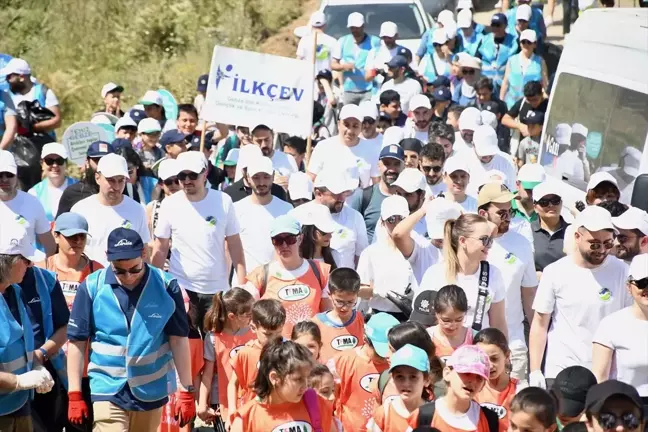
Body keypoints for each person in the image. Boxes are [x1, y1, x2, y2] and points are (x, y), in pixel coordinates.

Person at [65, 228, 194, 430]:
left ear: (143, 254)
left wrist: (186, 390)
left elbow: (178, 340)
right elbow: (77, 342)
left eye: (134, 269)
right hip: (107, 387)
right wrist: (74, 394)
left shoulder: (167, 286)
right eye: (119, 270)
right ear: (107, 258)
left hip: (151, 388)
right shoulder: (91, 286)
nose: (128, 276)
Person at [529, 206, 633, 389]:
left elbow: (628, 322)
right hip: (562, 370)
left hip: (606, 372)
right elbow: (540, 323)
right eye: (594, 244)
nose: (601, 249)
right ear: (577, 237)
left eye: (608, 243)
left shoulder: (623, 272)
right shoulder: (555, 272)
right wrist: (535, 369)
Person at [151, 151, 246, 329]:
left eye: (192, 175)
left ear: (205, 173)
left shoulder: (223, 200)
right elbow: (160, 247)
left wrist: (242, 283)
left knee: (215, 347)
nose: (187, 181)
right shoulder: (169, 204)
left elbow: (234, 244)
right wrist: (154, 284)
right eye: (181, 176)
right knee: (187, 347)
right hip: (182, 288)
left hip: (217, 289)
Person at [478, 182, 537, 383]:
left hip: (514, 344)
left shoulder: (521, 244)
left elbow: (529, 294)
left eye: (510, 212)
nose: (508, 217)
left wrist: (537, 339)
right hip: (475, 345)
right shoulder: (468, 242)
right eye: (501, 213)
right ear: (483, 213)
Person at [0, 222, 55, 432]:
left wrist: (35, 366)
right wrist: (17, 381)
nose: (31, 265)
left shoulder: (14, 292)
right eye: (25, 260)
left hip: (19, 406)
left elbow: (21, 343)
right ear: (7, 262)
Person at [418, 212, 509, 338]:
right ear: (462, 241)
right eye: (484, 239)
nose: (489, 245)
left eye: (490, 240)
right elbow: (421, 323)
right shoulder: (435, 274)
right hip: (442, 351)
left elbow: (498, 323)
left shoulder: (493, 274)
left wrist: (504, 352)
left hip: (478, 350)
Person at [244, 215, 332, 338]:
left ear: (300, 239)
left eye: (290, 239)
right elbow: (245, 315)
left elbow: (328, 316)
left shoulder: (320, 271)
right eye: (278, 240)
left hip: (309, 348)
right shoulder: (260, 276)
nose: (284, 245)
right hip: (276, 350)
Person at [230, 339, 336, 432]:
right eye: (298, 379)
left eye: (307, 378)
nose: (305, 385)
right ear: (275, 378)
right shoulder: (246, 419)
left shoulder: (316, 404)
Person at [70, 153, 149, 266]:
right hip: (91, 280)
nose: (116, 187)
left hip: (126, 280)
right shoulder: (80, 210)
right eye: (111, 180)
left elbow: (144, 252)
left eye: (121, 180)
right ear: (97, 178)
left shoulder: (137, 210)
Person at [327, 312, 399, 432]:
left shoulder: (397, 364)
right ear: (366, 339)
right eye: (379, 351)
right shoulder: (343, 361)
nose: (385, 356)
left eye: (391, 349)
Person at [592, 253, 648, 397]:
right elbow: (600, 377)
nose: (647, 289)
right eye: (643, 283)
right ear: (629, 287)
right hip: (626, 407)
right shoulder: (611, 325)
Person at [198, 287, 255, 430]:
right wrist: (202, 403)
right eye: (248, 314)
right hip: (223, 403)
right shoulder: (213, 338)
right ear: (232, 316)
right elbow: (207, 375)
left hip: (251, 400)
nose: (252, 317)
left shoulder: (255, 332)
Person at [406, 345, 498, 431]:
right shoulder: (423, 416)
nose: (472, 381)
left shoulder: (489, 419)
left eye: (479, 377)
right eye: (466, 373)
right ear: (447, 373)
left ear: (483, 385)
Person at [358, 196, 419, 320]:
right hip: (380, 316)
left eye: (401, 219)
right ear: (382, 221)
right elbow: (358, 289)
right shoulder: (371, 253)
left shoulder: (421, 249)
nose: (396, 224)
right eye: (391, 219)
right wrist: (376, 291)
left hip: (411, 316)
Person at [227, 299, 286, 425]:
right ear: (253, 327)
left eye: (279, 333)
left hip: (282, 415)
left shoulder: (289, 352)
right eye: (268, 334)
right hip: (252, 417)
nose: (274, 339)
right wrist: (232, 411)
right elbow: (233, 384)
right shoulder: (245, 353)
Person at [295, 169, 369, 268]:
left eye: (344, 193)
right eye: (336, 194)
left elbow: (362, 257)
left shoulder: (355, 217)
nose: (342, 199)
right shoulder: (297, 216)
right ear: (318, 193)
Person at [233, 156, 292, 277]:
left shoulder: (287, 209)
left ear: (273, 176)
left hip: (276, 280)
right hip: (246, 282)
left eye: (266, 177)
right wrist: (241, 282)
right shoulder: (235, 209)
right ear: (247, 178)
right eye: (256, 177)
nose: (261, 183)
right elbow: (230, 249)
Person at [308, 104, 380, 189]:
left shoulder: (371, 150)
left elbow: (377, 183)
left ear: (361, 127)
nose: (350, 131)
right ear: (339, 124)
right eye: (346, 125)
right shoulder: (323, 147)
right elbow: (310, 178)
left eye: (355, 126)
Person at [0, 150, 56, 255]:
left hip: (25, 267)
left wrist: (43, 266)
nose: (4, 179)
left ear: (16, 176)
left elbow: (50, 245)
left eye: (9, 175)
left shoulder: (32, 202)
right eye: (0, 175)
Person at [368, 344, 431, 432]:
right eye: (400, 376)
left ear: (426, 380)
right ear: (392, 379)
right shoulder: (384, 414)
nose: (406, 383)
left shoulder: (436, 414)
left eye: (413, 377)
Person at [350, 144, 404, 244]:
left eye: (396, 164)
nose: (391, 169)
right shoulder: (364, 196)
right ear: (378, 166)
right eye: (387, 164)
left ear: (403, 167)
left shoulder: (409, 198)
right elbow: (350, 232)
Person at [313, 267, 364, 363]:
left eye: (350, 302)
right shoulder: (317, 323)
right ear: (329, 295)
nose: (344, 307)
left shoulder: (360, 320)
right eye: (339, 302)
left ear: (357, 295)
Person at [474, 328, 519, 432]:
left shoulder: (520, 390)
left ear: (507, 356)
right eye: (483, 359)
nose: (489, 365)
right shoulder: (471, 389)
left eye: (494, 359)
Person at [3, 58, 61, 137]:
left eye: (9, 77)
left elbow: (56, 121)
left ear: (21, 77)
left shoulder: (43, 92)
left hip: (45, 145)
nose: (7, 80)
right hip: (18, 147)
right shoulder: (7, 97)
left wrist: (30, 129)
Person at [331, 12, 381, 105]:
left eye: (357, 27)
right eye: (352, 28)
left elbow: (380, 62)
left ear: (363, 26)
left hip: (370, 90)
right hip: (348, 90)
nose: (354, 30)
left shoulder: (375, 41)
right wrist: (344, 66)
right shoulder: (343, 41)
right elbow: (333, 64)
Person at [56, 141, 115, 216]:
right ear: (87, 162)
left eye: (107, 161)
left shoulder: (121, 190)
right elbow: (60, 224)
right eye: (97, 160)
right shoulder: (73, 193)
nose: (102, 165)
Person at [28, 143, 78, 223]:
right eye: (49, 161)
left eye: (59, 161)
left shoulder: (79, 187)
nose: (55, 165)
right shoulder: (34, 193)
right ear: (42, 164)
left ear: (66, 164)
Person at [423, 284, 474, 360]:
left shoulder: (474, 337)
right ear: (436, 314)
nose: (452, 325)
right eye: (446, 320)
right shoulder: (428, 337)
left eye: (459, 320)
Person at [501, 30, 549, 109]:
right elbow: (505, 83)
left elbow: (545, 84)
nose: (526, 45)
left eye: (529, 42)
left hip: (532, 105)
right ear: (520, 44)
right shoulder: (511, 60)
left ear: (535, 44)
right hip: (512, 104)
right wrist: (501, 102)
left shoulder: (540, 61)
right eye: (523, 42)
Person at [465, 125, 517, 195]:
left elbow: (512, 191)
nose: (487, 157)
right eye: (483, 154)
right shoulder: (465, 161)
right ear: (473, 145)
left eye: (491, 154)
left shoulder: (507, 161)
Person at [502, 81, 548, 153]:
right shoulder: (523, 102)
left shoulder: (547, 105)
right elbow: (505, 119)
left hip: (541, 146)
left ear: (541, 94)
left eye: (535, 100)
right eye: (529, 100)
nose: (532, 103)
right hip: (522, 147)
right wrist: (520, 126)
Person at [477, 14, 519, 93]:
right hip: (485, 84)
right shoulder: (484, 40)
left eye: (498, 25)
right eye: (493, 25)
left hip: (505, 86)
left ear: (505, 25)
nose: (495, 28)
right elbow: (476, 60)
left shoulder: (514, 42)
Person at [294, 202, 337, 268]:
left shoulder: (335, 256)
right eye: (324, 232)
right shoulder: (296, 258)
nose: (330, 236)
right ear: (310, 231)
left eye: (330, 232)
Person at [364, 21, 402, 90]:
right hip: (379, 92)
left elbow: (412, 73)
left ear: (396, 36)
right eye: (384, 37)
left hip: (399, 91)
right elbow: (367, 78)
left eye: (389, 37)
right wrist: (376, 72)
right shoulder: (374, 52)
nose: (387, 40)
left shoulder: (403, 52)